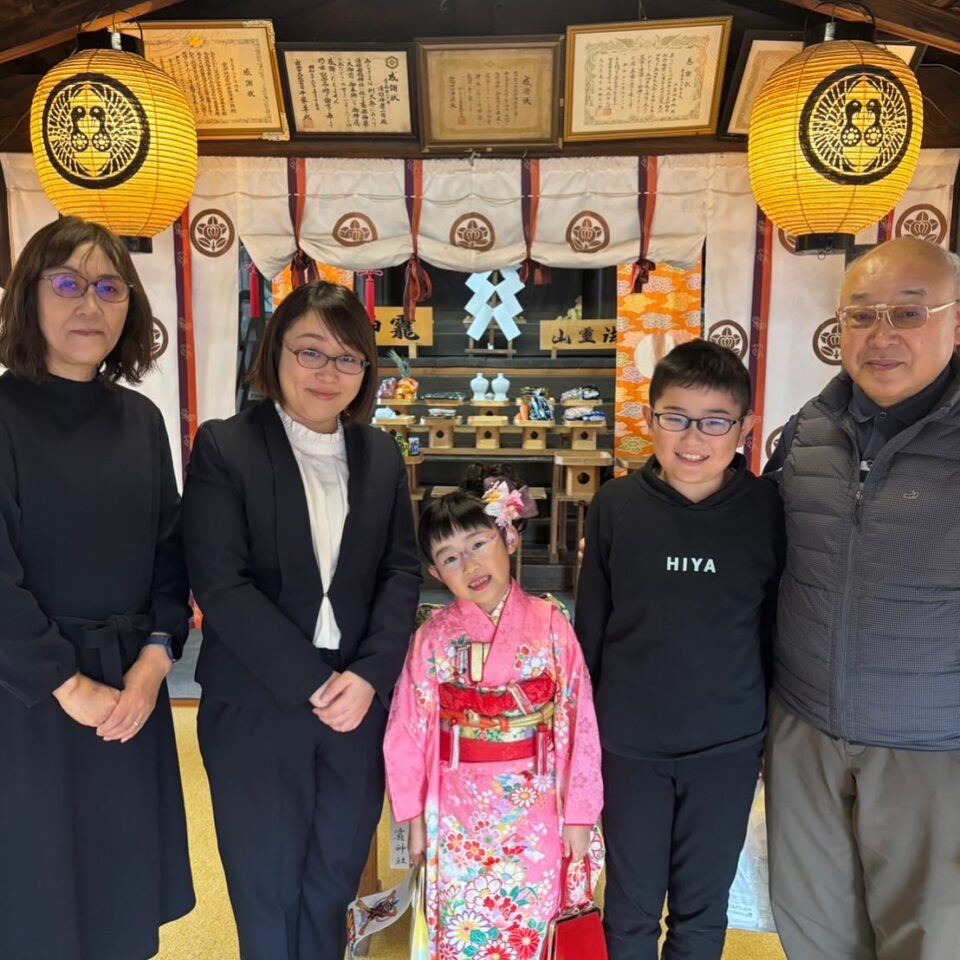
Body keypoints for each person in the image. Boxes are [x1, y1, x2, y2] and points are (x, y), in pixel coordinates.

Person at [181, 280, 421, 960]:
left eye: (347, 358)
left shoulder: (379, 456)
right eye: (310, 351)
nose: (327, 372)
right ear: (274, 353)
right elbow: (221, 585)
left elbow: (400, 573)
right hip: (257, 707)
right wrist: (312, 684)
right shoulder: (227, 446)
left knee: (331, 883)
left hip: (357, 707)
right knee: (266, 888)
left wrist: (370, 677)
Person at [0, 217, 194, 960]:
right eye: (69, 284)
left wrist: (152, 665)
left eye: (110, 287)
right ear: (30, 297)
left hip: (129, 690)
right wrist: (67, 684)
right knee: (37, 899)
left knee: (118, 895)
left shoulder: (141, 422)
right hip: (29, 696)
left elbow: (170, 558)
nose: (91, 305)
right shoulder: (5, 414)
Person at [763, 236, 960, 960]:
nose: (881, 336)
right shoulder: (809, 432)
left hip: (934, 748)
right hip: (805, 733)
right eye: (862, 315)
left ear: (956, 320)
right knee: (813, 930)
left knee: (929, 938)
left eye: (908, 315)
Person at [576, 339, 785, 960]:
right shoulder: (616, 505)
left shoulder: (767, 509)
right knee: (632, 908)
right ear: (650, 419)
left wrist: (772, 742)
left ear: (744, 428)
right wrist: (579, 741)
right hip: (628, 742)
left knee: (701, 911)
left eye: (715, 421)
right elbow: (591, 627)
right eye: (676, 417)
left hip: (726, 743)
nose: (694, 438)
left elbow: (775, 630)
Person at [384, 486, 603, 960]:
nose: (469, 565)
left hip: (538, 806)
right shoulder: (433, 638)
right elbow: (406, 730)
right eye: (449, 557)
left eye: (478, 544)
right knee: (465, 925)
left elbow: (579, 719)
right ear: (434, 572)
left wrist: (581, 813)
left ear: (507, 538)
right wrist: (413, 820)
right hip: (457, 808)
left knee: (534, 917)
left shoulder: (551, 624)